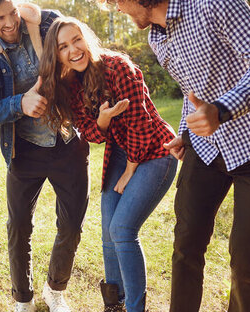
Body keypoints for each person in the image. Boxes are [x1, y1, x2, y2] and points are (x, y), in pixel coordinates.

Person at [88, 0, 250, 312]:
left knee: (245, 257)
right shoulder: (156, 38)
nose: (118, 8)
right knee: (185, 245)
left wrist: (224, 109)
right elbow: (191, 92)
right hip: (206, 149)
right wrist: (185, 131)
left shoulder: (217, 2)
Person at [38, 17, 178, 312]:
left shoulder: (117, 67)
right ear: (58, 54)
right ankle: (115, 305)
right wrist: (103, 118)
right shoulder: (71, 84)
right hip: (119, 152)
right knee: (108, 231)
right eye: (63, 46)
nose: (74, 50)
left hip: (155, 151)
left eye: (77, 40)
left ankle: (136, 308)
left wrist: (130, 170)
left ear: (86, 38)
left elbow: (142, 123)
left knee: (123, 229)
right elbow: (91, 133)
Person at [0, 0, 90, 312]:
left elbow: (79, 49)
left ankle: (55, 289)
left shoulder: (47, 22)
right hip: (23, 150)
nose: (9, 23)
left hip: (67, 143)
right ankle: (23, 298)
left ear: (16, 3)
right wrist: (19, 103)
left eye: (11, 12)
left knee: (72, 224)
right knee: (19, 226)